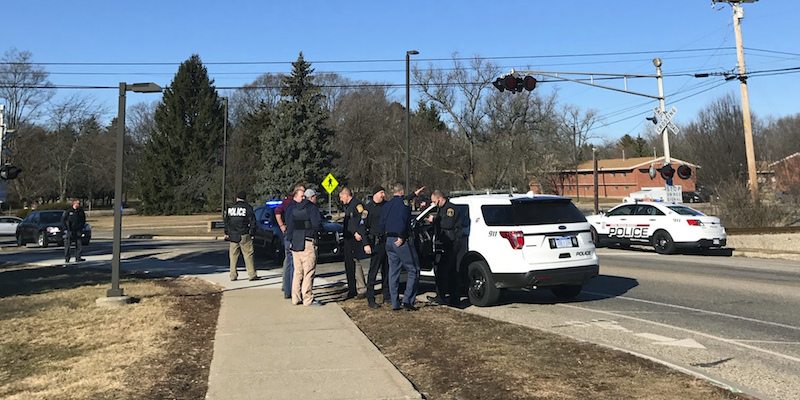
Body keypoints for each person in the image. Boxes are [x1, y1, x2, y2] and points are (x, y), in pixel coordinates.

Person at [379, 183, 421, 311]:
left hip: (389, 241)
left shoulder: (386, 205)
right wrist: (402, 236)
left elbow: (381, 224)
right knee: (413, 269)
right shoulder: (404, 204)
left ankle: (394, 303)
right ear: (402, 191)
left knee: (393, 271)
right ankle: (408, 300)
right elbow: (404, 219)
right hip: (400, 240)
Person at [286, 188, 324, 306]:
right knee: (308, 271)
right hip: (307, 242)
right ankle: (308, 298)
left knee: (298, 272)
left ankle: (295, 298)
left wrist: (291, 239)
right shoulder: (311, 208)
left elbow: (289, 226)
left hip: (296, 242)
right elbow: (317, 224)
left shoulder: (292, 208)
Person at [427, 189, 462, 306]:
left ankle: (449, 298)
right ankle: (443, 297)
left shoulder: (450, 209)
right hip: (444, 243)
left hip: (451, 244)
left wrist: (434, 220)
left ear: (440, 199)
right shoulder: (441, 209)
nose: (434, 204)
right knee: (445, 271)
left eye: (434, 202)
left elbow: (448, 224)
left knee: (446, 271)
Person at [362, 186, 390, 308]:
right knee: (373, 272)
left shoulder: (387, 205)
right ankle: (371, 298)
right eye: (381, 193)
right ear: (375, 194)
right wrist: (366, 244)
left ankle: (387, 295)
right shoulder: (368, 209)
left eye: (383, 193)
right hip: (375, 243)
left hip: (386, 241)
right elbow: (362, 227)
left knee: (387, 270)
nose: (383, 195)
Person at [276, 184, 305, 298]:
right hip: (292, 236)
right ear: (296, 193)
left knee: (288, 263)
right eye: (302, 194)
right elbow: (277, 212)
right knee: (293, 265)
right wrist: (282, 225)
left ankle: (287, 291)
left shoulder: (290, 205)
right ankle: (293, 291)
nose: (304, 197)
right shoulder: (290, 204)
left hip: (288, 235)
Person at [339, 187, 368, 299]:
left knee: (355, 262)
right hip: (348, 238)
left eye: (341, 197)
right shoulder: (347, 206)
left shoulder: (357, 205)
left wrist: (358, 231)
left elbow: (363, 217)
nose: (341, 200)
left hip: (354, 239)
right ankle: (352, 289)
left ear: (346, 195)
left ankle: (361, 289)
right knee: (349, 264)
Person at [224, 192, 259, 281]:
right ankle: (252, 274)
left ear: (237, 198)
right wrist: (252, 233)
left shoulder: (231, 208)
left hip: (233, 235)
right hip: (244, 234)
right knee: (248, 255)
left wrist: (227, 232)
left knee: (233, 256)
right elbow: (253, 222)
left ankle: (233, 275)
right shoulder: (247, 208)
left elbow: (227, 222)